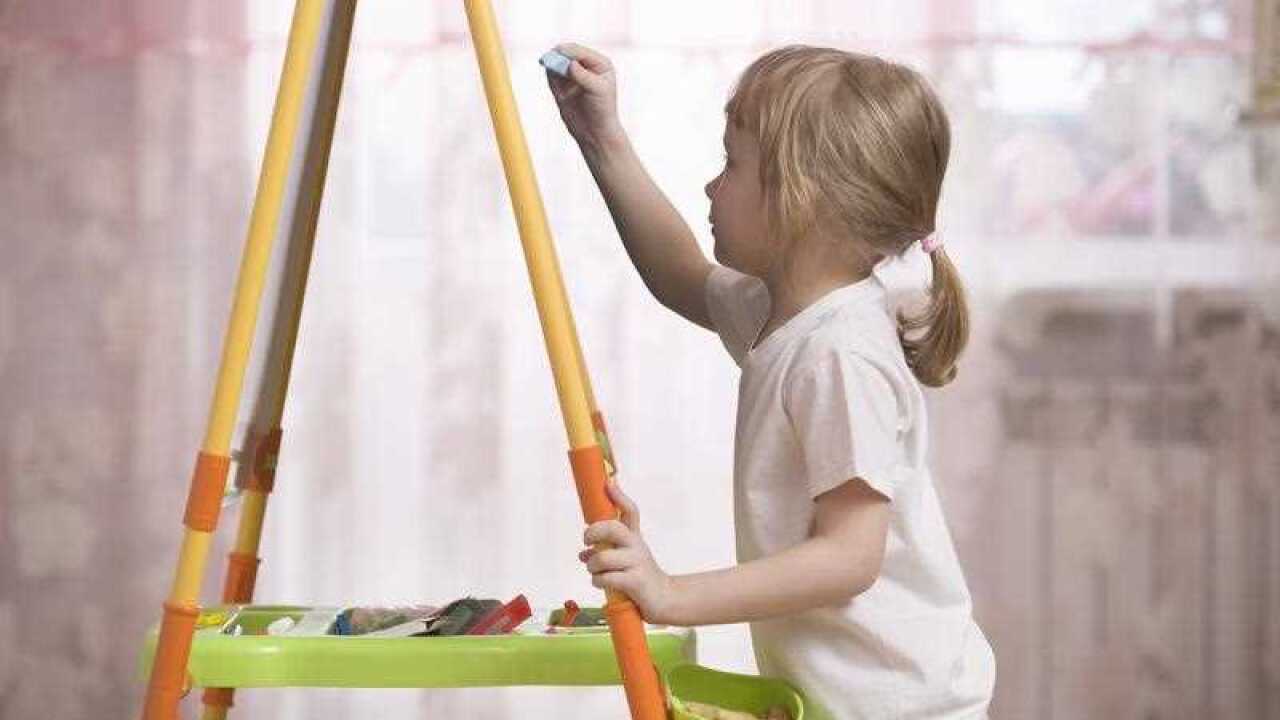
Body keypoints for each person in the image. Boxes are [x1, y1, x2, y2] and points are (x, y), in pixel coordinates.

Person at [548, 43, 996, 719]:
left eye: (732, 164)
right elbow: (682, 275)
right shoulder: (784, 315)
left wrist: (672, 593)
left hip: (900, 707)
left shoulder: (841, 355)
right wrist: (602, 139)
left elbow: (850, 556)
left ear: (802, 200)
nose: (710, 186)